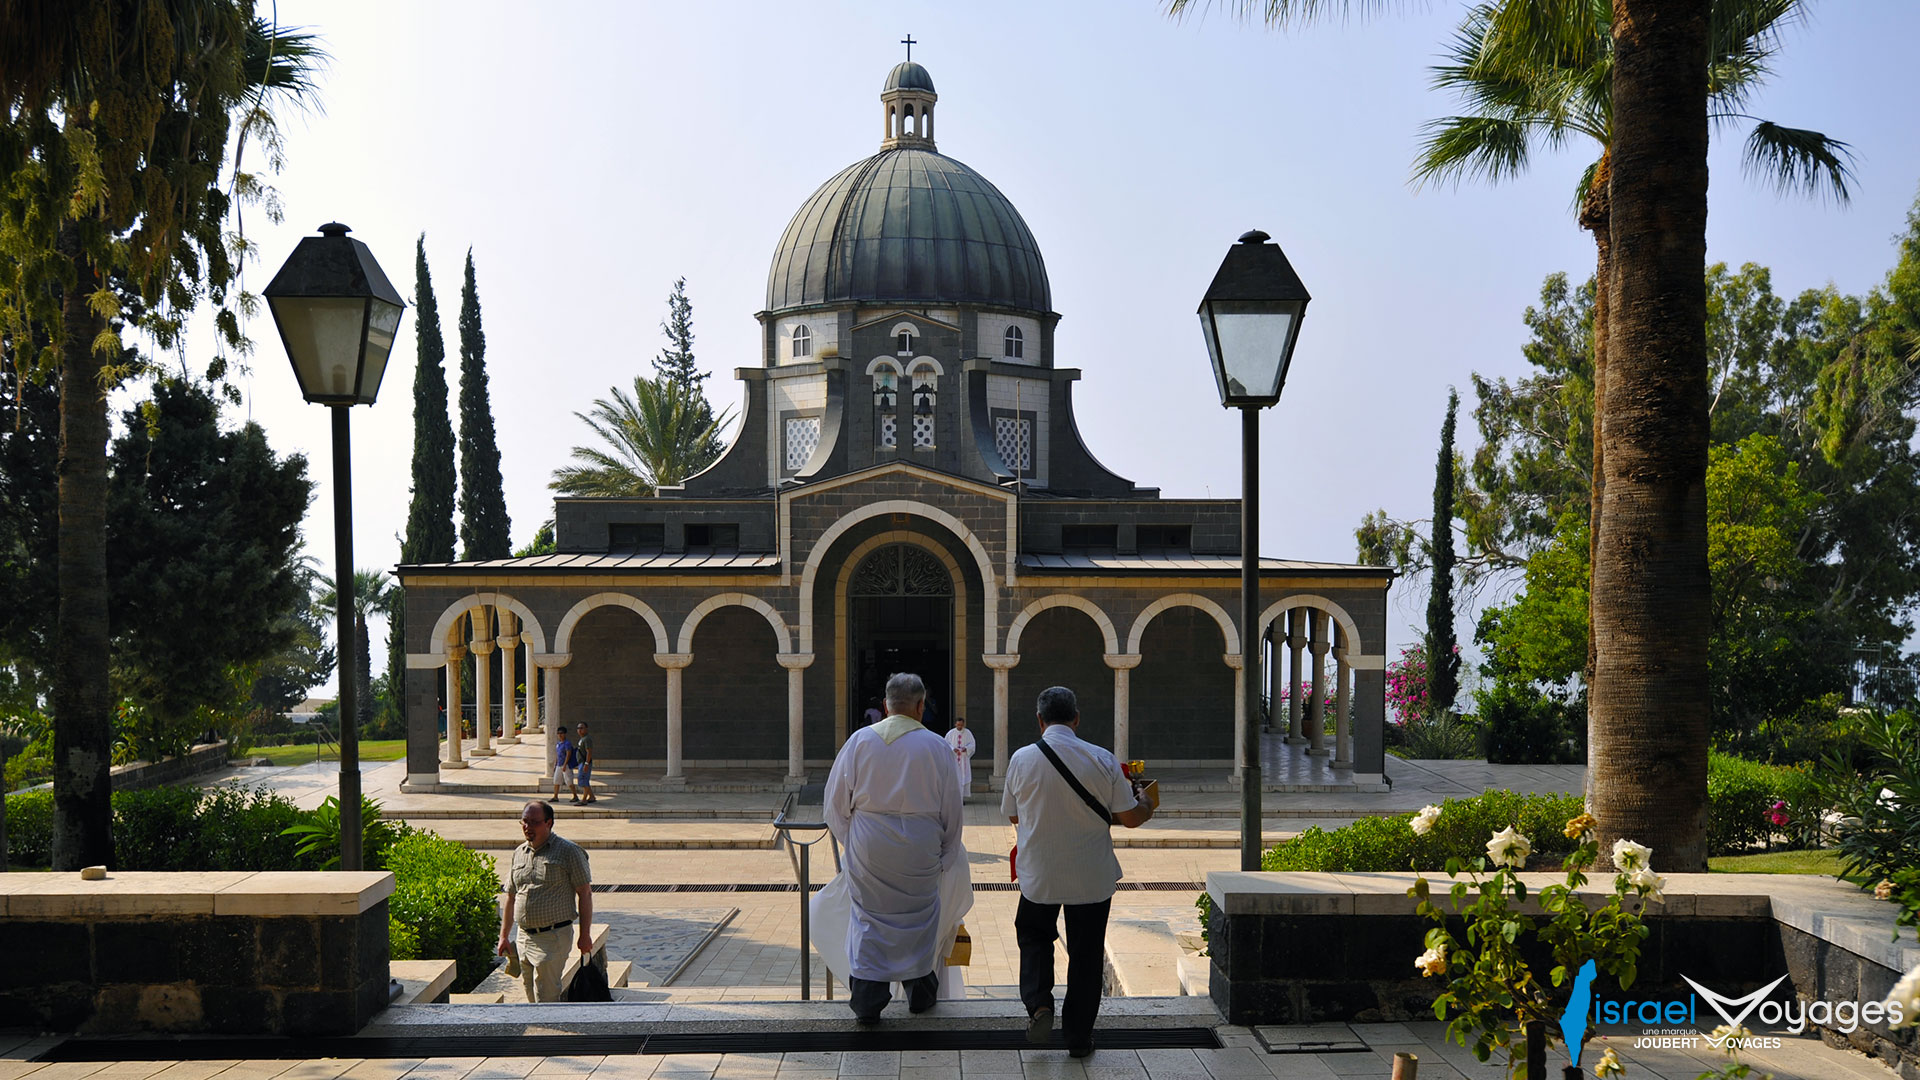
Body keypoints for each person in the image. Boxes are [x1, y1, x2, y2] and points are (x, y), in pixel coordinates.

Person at [1002, 685, 1154, 1058]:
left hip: (1039, 873)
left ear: (1039, 720)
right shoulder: (1101, 759)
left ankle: (1039, 1005)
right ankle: (1078, 1038)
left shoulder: (1021, 759)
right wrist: (1147, 803)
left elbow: (1012, 813)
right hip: (1091, 876)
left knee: (1034, 937)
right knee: (1086, 957)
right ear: (1077, 718)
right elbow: (1130, 817)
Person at [823, 671, 964, 1023]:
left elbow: (835, 806)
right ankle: (920, 993)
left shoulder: (859, 742)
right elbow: (952, 809)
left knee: (869, 919)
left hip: (869, 845)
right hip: (921, 846)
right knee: (920, 918)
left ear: (886, 706)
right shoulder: (937, 746)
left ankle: (868, 1001)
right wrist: (945, 854)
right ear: (920, 706)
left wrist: (855, 841)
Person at [497, 800, 593, 1002]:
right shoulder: (519, 853)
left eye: (534, 822)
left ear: (548, 823)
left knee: (546, 997)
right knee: (530, 995)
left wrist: (585, 935)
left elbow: (584, 893)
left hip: (553, 937)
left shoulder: (569, 851)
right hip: (524, 937)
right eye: (524, 821)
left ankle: (549, 1033)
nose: (527, 827)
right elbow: (511, 897)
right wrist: (504, 936)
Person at [945, 716, 976, 796]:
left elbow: (972, 744)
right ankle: (954, 796)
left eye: (961, 725)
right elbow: (946, 744)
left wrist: (966, 748)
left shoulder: (968, 733)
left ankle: (962, 796)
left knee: (963, 777)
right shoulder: (951, 733)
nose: (960, 727)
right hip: (954, 758)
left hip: (963, 759)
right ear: (955, 724)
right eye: (958, 725)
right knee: (954, 776)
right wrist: (952, 749)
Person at [552, 728, 577, 803]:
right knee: (556, 780)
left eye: (561, 733)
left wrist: (565, 764)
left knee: (569, 781)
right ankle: (555, 796)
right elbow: (558, 755)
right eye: (558, 733)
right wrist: (555, 764)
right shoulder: (558, 744)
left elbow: (568, 754)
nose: (560, 735)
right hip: (559, 765)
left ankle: (575, 796)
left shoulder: (567, 743)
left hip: (566, 765)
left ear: (565, 734)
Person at [574, 722, 596, 804]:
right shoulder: (582, 739)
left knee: (583, 780)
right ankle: (591, 796)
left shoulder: (587, 739)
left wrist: (586, 763)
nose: (579, 730)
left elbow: (589, 752)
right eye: (578, 728)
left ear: (586, 729)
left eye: (581, 728)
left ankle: (584, 799)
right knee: (584, 780)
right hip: (581, 763)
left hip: (584, 763)